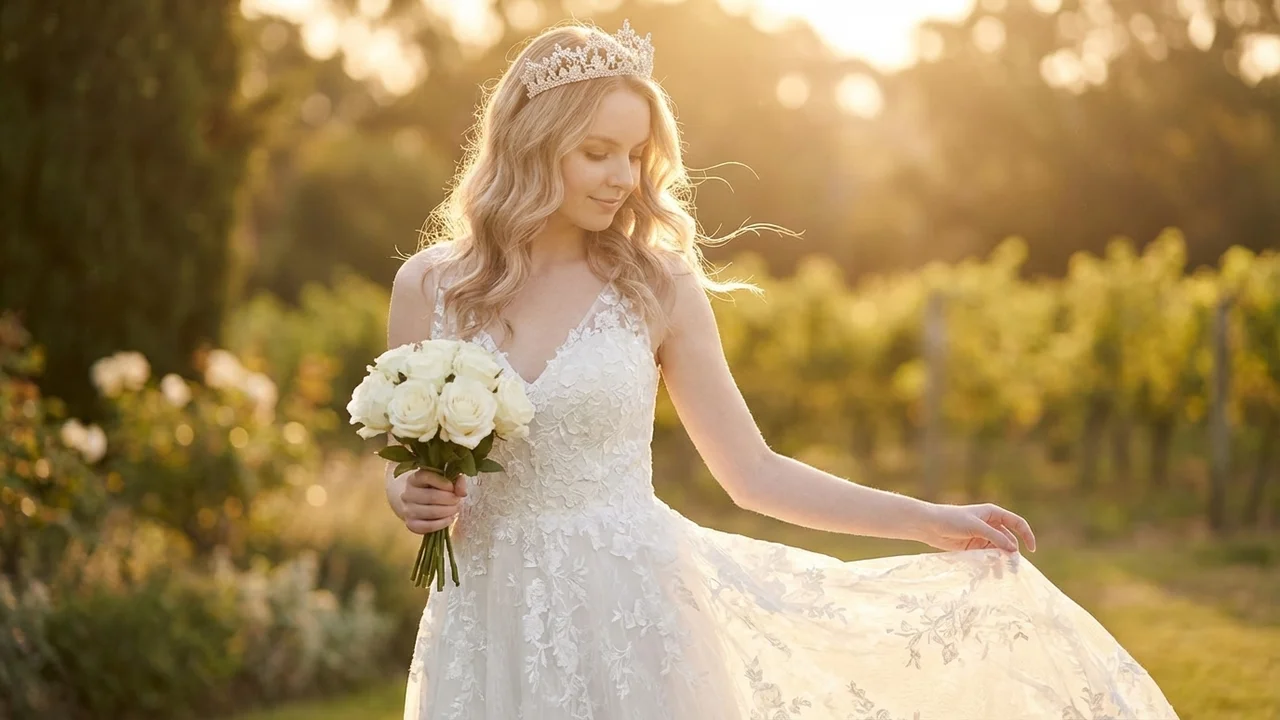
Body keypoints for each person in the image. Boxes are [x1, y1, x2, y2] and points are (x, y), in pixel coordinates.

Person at [384, 18, 1178, 720]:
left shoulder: (656, 287)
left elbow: (753, 472)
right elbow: (402, 471)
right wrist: (409, 494)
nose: (624, 177)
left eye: (634, 155)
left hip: (634, 619)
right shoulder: (430, 285)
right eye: (597, 153)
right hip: (486, 615)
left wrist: (927, 519)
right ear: (532, 142)